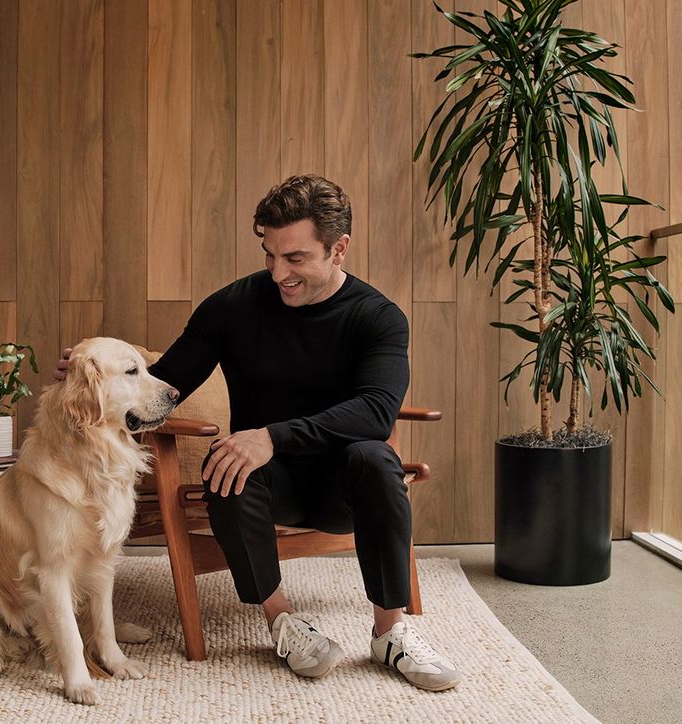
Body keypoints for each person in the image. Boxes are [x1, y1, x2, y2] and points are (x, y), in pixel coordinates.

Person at [55, 175, 461, 691]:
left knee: (375, 458)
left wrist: (271, 436)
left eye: (295, 258)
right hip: (263, 489)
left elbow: (377, 411)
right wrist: (96, 374)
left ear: (339, 249)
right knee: (225, 463)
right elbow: (167, 384)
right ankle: (283, 621)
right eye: (270, 255)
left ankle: (390, 632)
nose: (278, 272)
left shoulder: (378, 317)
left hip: (344, 490)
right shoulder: (232, 307)